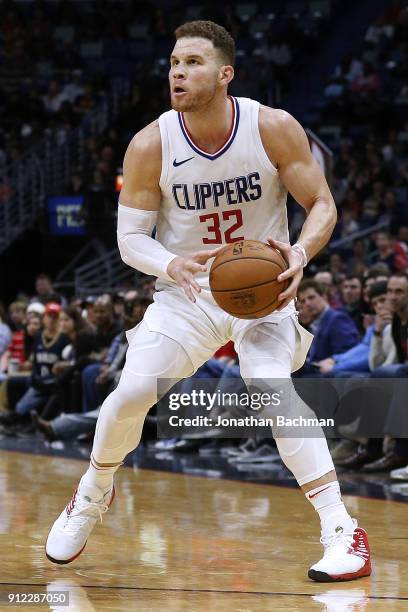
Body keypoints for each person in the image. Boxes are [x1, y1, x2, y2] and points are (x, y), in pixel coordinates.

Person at [46, 20, 371, 582]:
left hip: (261, 288)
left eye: (193, 62)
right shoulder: (150, 144)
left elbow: (321, 202)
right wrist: (170, 263)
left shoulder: (271, 127)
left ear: (225, 74)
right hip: (188, 293)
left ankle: (342, 528)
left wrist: (298, 252)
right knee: (130, 395)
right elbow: (130, 240)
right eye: (174, 62)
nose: (178, 72)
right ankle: (94, 491)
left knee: (270, 386)